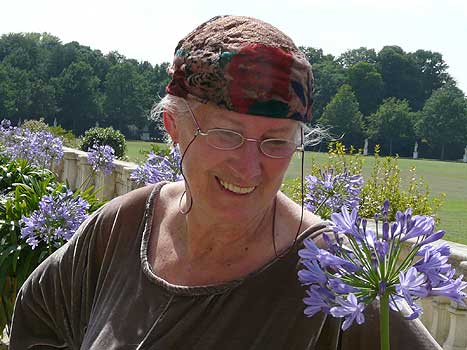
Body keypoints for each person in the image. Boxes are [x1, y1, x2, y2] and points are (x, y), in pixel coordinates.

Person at [9, 15, 440, 349]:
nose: (249, 168)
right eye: (226, 135)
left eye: (275, 142)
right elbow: (37, 314)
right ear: (173, 126)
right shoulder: (122, 226)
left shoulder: (335, 272)